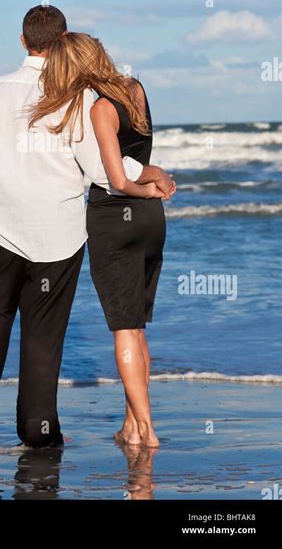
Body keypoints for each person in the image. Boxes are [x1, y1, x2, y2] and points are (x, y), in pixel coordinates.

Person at [0, 7, 174, 448]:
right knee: (43, 338)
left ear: (22, 40)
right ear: (65, 38)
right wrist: (151, 173)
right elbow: (103, 172)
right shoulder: (78, 97)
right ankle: (37, 430)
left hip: (2, 234)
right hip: (60, 237)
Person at [29, 32, 176, 448]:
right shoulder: (135, 89)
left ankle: (147, 430)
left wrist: (146, 186)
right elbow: (141, 158)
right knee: (139, 327)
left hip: (115, 220)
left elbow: (116, 179)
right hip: (151, 222)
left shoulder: (98, 109)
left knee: (124, 329)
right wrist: (155, 181)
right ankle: (131, 425)